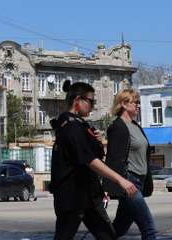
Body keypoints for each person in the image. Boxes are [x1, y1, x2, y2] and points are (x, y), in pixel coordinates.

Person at [51, 80, 138, 240]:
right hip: (72, 196)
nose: (93, 105)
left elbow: (96, 155)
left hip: (88, 195)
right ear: (78, 101)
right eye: (91, 101)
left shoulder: (81, 125)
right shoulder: (70, 126)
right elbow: (89, 160)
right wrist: (120, 180)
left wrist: (97, 142)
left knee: (107, 236)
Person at [105, 89, 159, 240]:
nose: (138, 105)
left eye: (139, 102)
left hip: (140, 182)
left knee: (117, 230)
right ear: (123, 103)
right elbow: (113, 159)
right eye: (135, 102)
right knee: (149, 228)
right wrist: (113, 186)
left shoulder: (136, 126)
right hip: (129, 183)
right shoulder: (117, 127)